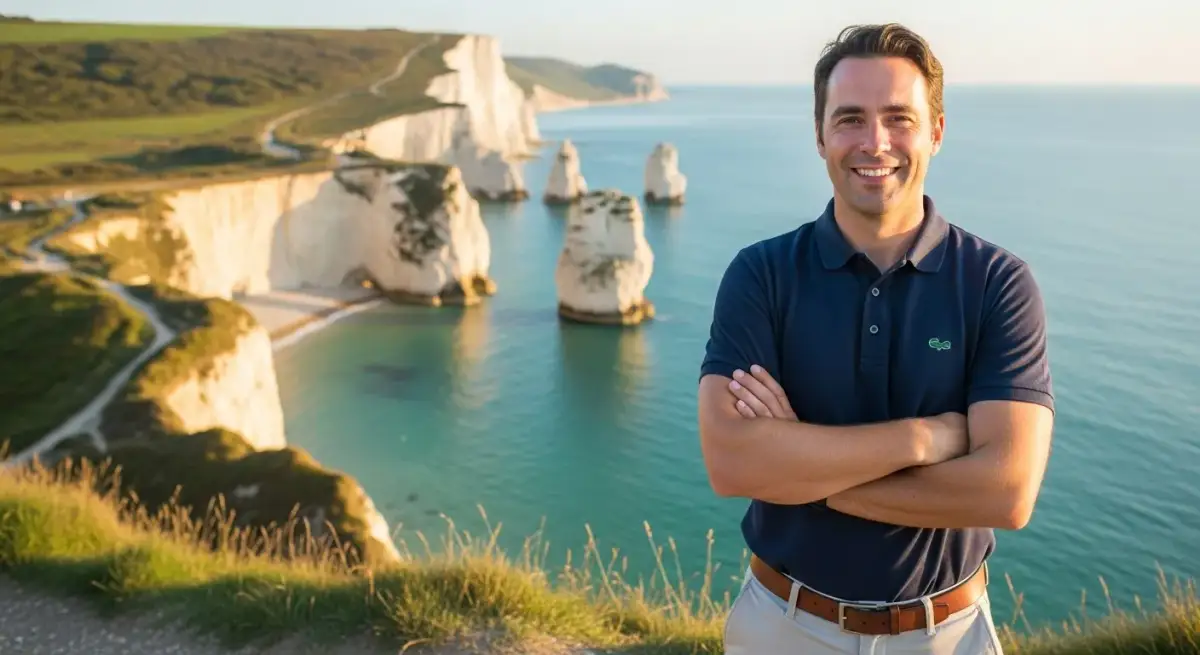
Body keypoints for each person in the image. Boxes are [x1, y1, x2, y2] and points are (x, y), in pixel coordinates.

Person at [696, 23, 1056, 654]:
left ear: (937, 131)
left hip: (947, 635)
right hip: (781, 627)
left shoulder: (998, 283)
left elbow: (1006, 491)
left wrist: (800, 473)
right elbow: (732, 463)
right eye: (850, 119)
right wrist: (927, 439)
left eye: (899, 118)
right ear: (820, 135)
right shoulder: (760, 275)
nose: (875, 142)